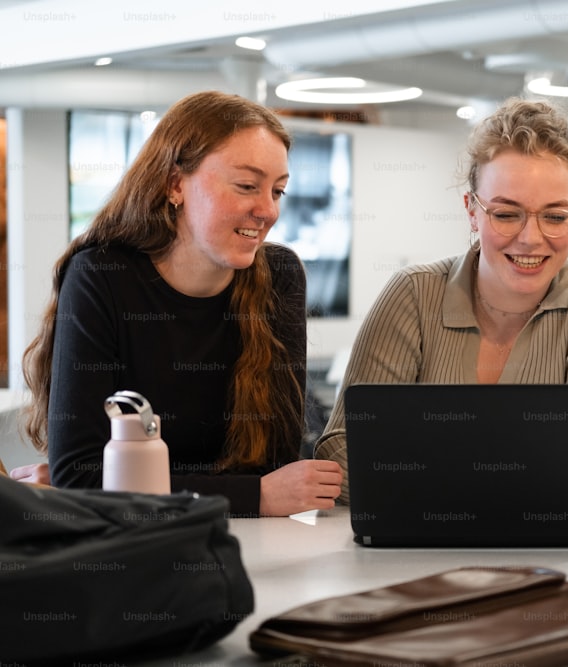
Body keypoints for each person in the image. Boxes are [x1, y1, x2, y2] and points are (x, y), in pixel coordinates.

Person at [21, 90, 342, 516]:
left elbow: (275, 463)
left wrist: (126, 485)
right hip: (147, 547)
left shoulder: (280, 276)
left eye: (278, 191)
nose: (267, 211)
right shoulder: (102, 275)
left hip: (255, 542)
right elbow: (82, 475)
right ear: (175, 185)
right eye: (247, 186)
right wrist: (252, 496)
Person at [314, 98, 568, 504]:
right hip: (414, 546)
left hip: (548, 548)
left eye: (555, 216)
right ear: (471, 211)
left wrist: (428, 479)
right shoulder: (414, 294)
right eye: (506, 214)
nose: (531, 238)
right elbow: (341, 450)